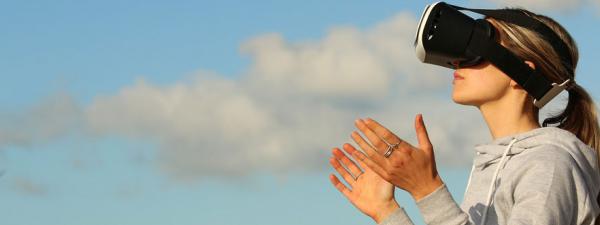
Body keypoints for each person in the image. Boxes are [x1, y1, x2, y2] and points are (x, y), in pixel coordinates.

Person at [328, 6, 600, 225]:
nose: (456, 60)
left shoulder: (550, 164)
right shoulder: (491, 166)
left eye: (476, 49)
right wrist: (387, 212)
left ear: (520, 73)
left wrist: (427, 190)